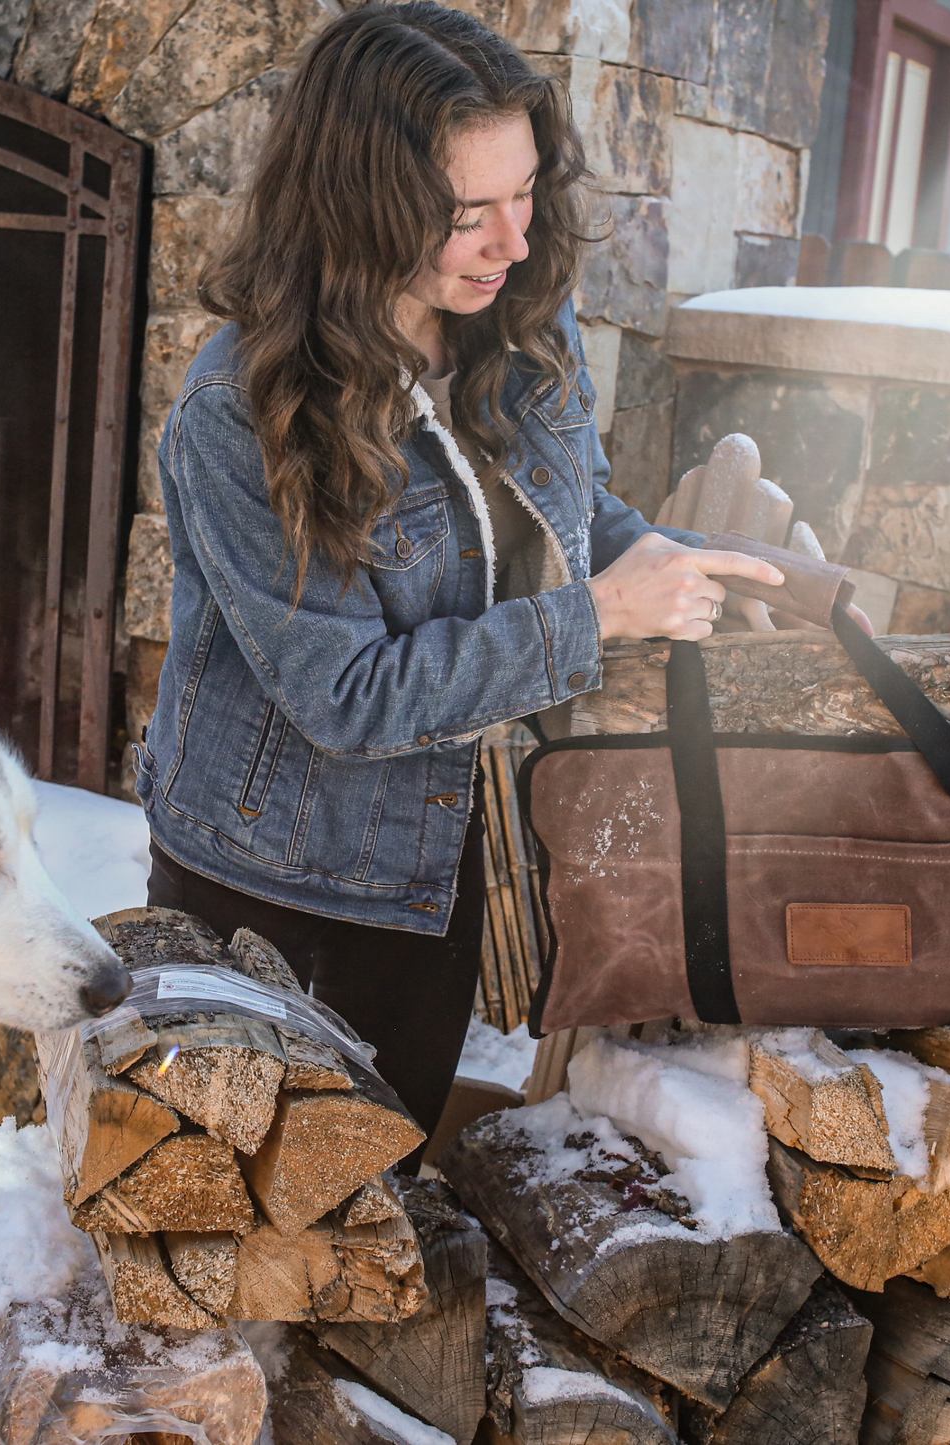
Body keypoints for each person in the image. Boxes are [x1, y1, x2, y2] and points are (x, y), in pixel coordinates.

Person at [136, 0, 788, 1163]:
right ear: (358, 206)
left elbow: (573, 513)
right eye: (465, 214)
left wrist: (655, 561)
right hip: (272, 882)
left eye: (525, 192)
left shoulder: (523, 326)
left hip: (432, 858)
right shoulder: (241, 411)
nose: (514, 242)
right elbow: (344, 697)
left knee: (377, 1211)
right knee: (229, 1218)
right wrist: (597, 615)